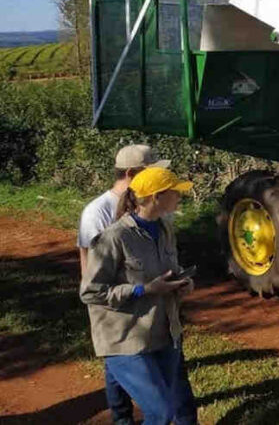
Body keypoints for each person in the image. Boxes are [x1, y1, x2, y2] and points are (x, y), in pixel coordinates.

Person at [80, 167, 199, 425]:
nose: (180, 196)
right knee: (161, 413)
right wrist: (142, 290)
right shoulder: (114, 238)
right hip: (125, 339)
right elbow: (90, 291)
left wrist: (181, 283)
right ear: (156, 197)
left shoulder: (165, 229)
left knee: (167, 409)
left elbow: (170, 270)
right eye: (175, 192)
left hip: (163, 333)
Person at [78, 144, 170, 425]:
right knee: (119, 368)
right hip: (117, 314)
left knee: (118, 373)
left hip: (145, 316)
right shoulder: (97, 213)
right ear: (131, 174)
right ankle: (121, 418)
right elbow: (91, 268)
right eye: (151, 172)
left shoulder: (155, 211)